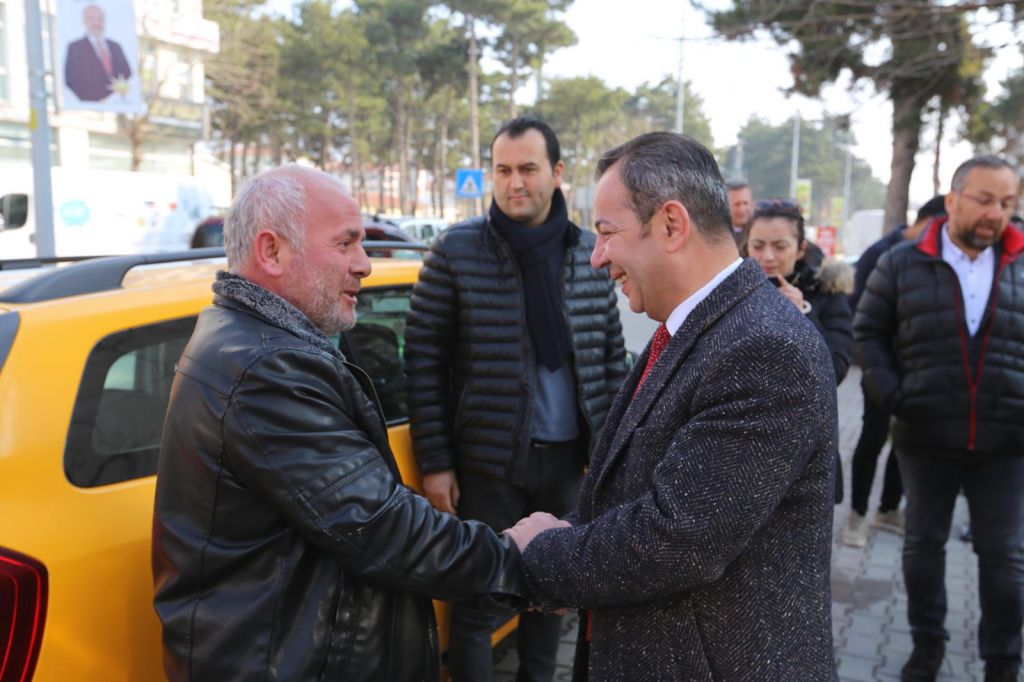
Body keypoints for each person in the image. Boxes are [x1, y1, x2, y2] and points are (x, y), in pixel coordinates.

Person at [152, 165, 525, 682]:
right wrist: (522, 557)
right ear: (272, 251)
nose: (365, 265)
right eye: (346, 244)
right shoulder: (267, 368)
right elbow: (384, 530)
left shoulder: (248, 341)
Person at [506, 132, 838, 680]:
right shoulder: (699, 328)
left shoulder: (764, 348)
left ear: (671, 225)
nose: (596, 257)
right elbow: (638, 491)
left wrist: (541, 555)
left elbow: (677, 539)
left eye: (608, 233)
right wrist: (571, 538)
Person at [405, 115, 627, 682]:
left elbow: (607, 358)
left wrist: (607, 456)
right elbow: (424, 364)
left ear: (556, 173)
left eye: (528, 168)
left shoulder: (589, 252)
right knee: (480, 601)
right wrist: (436, 463)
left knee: (551, 591)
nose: (514, 182)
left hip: (569, 461)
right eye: (502, 170)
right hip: (489, 462)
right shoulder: (456, 252)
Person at [855, 155, 1024, 682]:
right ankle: (928, 645)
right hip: (925, 436)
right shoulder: (901, 263)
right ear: (952, 200)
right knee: (922, 545)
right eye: (985, 199)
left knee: (1004, 557)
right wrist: (896, 396)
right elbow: (869, 334)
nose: (997, 213)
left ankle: (1003, 660)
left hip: (1007, 440)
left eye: (1008, 202)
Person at [841, 195, 947, 548]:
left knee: (904, 442)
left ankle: (888, 509)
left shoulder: (934, 254)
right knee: (872, 438)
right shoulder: (880, 253)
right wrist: (877, 369)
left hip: (919, 369)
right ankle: (857, 515)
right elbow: (861, 317)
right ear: (925, 222)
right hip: (881, 367)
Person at [744, 199, 853, 503]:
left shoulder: (826, 295)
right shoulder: (730, 292)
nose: (767, 256)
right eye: (758, 245)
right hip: (744, 444)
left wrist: (803, 315)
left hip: (805, 448)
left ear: (800, 248)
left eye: (780, 246)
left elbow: (836, 369)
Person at [64, 4, 133, 102]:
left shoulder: (116, 46)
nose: (96, 22)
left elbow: (127, 73)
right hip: (89, 104)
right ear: (84, 21)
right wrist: (92, 100)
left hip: (117, 102)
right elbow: (71, 79)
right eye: (91, 19)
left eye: (100, 19)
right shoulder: (75, 47)